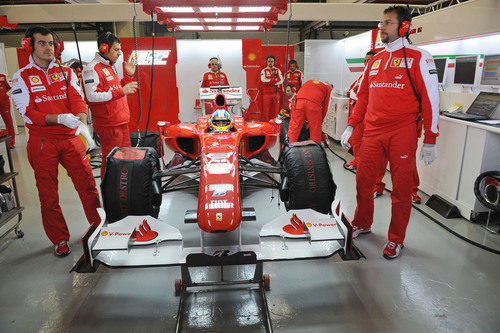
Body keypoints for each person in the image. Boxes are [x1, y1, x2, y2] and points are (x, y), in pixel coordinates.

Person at [340, 5, 439, 259]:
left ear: (403, 26)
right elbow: (362, 97)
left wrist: (430, 138)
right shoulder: (374, 60)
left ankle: (396, 239)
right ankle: (363, 222)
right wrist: (351, 125)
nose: (381, 27)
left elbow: (431, 100)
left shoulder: (419, 57)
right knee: (363, 183)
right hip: (372, 133)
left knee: (401, 190)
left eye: (387, 23)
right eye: (381, 23)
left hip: (402, 133)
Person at [11, 26, 101, 256]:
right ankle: (60, 239)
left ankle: (99, 228)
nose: (48, 47)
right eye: (42, 43)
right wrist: (58, 117)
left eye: (51, 43)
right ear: (29, 46)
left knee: (89, 186)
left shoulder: (66, 72)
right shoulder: (21, 77)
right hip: (43, 142)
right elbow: (28, 113)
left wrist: (81, 123)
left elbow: (77, 101)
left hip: (71, 140)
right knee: (48, 195)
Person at [82, 32, 138, 178]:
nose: (120, 53)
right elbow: (92, 97)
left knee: (125, 158)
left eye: (120, 49)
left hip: (121, 122)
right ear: (104, 49)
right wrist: (120, 91)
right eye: (116, 49)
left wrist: (128, 76)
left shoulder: (109, 66)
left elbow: (116, 90)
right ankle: (110, 191)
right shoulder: (92, 69)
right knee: (112, 160)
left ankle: (123, 189)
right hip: (108, 125)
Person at [343, 50, 377, 171]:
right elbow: (352, 89)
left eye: (370, 60)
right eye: (366, 60)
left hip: (370, 115)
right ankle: (358, 161)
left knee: (370, 144)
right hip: (359, 113)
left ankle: (367, 167)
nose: (367, 63)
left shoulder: (377, 76)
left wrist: (356, 96)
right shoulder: (362, 76)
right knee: (357, 140)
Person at [287, 80, 333, 144]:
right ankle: (314, 150)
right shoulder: (329, 88)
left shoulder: (310, 81)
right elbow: (326, 107)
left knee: (294, 128)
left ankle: (290, 148)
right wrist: (320, 121)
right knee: (315, 130)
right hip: (313, 105)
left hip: (298, 102)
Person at [260, 56, 283, 122]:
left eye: (272, 61)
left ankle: (275, 124)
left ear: (274, 62)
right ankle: (265, 125)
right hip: (266, 94)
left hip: (275, 93)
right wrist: (274, 80)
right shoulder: (264, 70)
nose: (270, 63)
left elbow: (281, 80)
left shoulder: (277, 70)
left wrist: (269, 82)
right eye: (269, 61)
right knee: (266, 111)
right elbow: (263, 80)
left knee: (276, 110)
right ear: (266, 62)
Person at [0, 73, 15, 148]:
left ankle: (11, 143)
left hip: (4, 104)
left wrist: (5, 96)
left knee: (8, 123)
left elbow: (12, 88)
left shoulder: (4, 76)